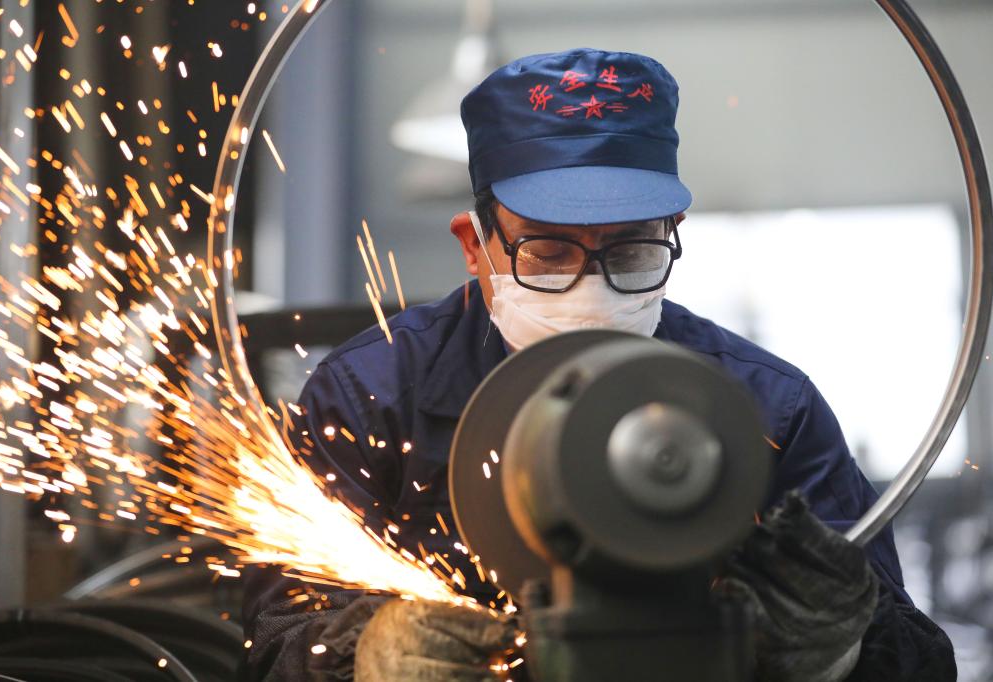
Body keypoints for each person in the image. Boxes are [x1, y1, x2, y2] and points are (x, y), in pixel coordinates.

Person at [241, 48, 956, 681]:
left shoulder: (770, 407)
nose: (592, 287)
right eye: (547, 251)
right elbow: (272, 644)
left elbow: (916, 657)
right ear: (475, 245)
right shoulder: (370, 396)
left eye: (630, 251)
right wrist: (363, 658)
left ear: (674, 235)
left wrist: (839, 648)